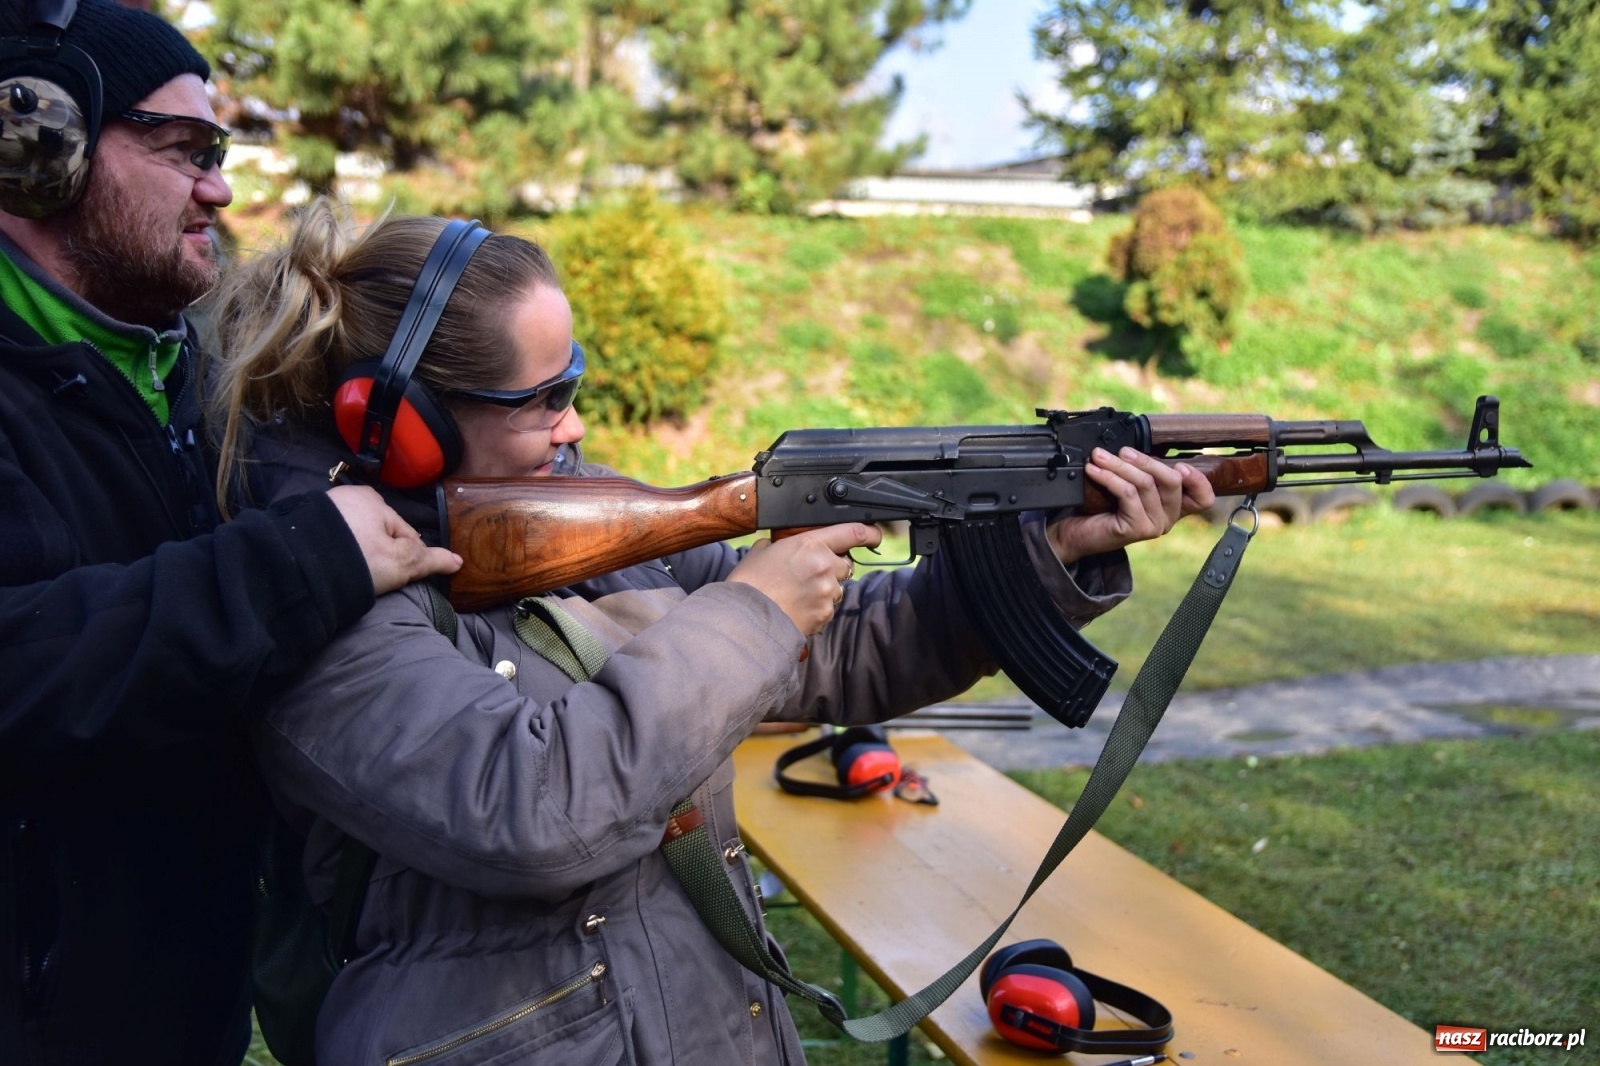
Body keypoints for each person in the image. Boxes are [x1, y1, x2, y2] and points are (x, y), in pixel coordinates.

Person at [208, 197, 1215, 1065]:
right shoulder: (310, 601)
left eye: (576, 386)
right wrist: (755, 604)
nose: (575, 429)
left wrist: (1043, 557)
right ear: (402, 419)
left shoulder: (569, 519)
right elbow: (528, 807)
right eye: (543, 401)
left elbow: (832, 649)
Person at [0, 4, 459, 1064]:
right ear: (37, 144)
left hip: (176, 1001)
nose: (220, 187)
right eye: (187, 151)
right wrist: (308, 558)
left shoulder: (183, 372)